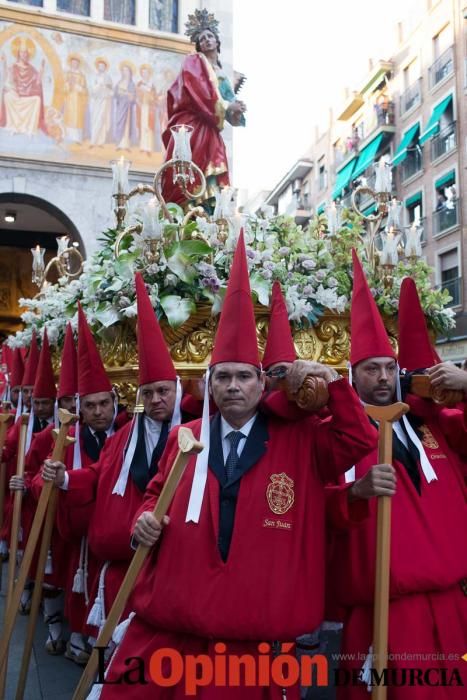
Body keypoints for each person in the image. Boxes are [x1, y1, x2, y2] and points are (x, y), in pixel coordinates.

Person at [95, 231, 377, 699]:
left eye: (243, 376)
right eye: (222, 376)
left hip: (256, 637)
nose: (232, 386)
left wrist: (333, 382)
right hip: (176, 625)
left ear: (261, 382)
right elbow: (154, 495)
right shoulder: (184, 438)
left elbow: (357, 438)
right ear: (208, 384)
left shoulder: (301, 440)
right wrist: (144, 520)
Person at [326, 256, 467, 699]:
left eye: (389, 367)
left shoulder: (434, 425)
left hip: (451, 607)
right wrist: (355, 492)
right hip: (381, 615)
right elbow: (317, 506)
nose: (383, 377)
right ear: (353, 376)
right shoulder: (335, 435)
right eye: (371, 368)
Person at [42, 273, 183, 639]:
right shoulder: (122, 437)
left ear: (177, 390)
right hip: (132, 545)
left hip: (177, 549)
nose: (156, 400)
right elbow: (100, 472)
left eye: (164, 391)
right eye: (148, 393)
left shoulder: (196, 432)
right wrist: (65, 478)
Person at [33, 305, 127, 664]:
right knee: (75, 581)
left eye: (105, 403)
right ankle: (72, 632)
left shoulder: (125, 436)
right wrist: (50, 482)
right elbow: (39, 483)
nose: (99, 411)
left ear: (114, 403)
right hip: (74, 529)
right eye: (91, 405)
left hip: (111, 527)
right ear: (79, 408)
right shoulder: (61, 438)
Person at [161, 9, 246, 206]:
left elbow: (229, 114)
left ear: (217, 41)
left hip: (210, 130)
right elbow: (198, 91)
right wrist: (227, 106)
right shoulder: (194, 61)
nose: (207, 40)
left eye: (210, 36)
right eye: (202, 38)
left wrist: (236, 109)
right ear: (198, 45)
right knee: (188, 172)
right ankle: (188, 213)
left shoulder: (222, 74)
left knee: (212, 176)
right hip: (194, 126)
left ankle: (208, 217)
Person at [0, 36, 46, 135]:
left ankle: (29, 128)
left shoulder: (32, 69)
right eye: (22, 52)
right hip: (16, 95)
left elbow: (37, 83)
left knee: (37, 100)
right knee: (7, 97)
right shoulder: (13, 67)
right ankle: (14, 126)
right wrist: (4, 63)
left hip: (26, 96)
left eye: (26, 53)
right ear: (18, 54)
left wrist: (41, 70)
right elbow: (7, 80)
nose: (24, 54)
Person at [63, 54, 88, 143]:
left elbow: (85, 90)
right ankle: (68, 137)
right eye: (73, 63)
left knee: (77, 118)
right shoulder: (67, 73)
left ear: (78, 64)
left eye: (76, 63)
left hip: (78, 100)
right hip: (69, 99)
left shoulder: (81, 75)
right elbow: (63, 88)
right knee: (69, 117)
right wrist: (69, 84)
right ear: (70, 63)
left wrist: (77, 86)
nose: (74, 64)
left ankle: (77, 139)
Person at [113, 62, 137, 151]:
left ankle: (126, 145)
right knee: (119, 123)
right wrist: (120, 93)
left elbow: (133, 97)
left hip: (127, 108)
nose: (125, 72)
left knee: (127, 125)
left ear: (130, 72)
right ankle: (119, 144)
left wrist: (129, 95)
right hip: (120, 106)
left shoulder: (131, 84)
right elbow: (115, 94)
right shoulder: (119, 82)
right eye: (123, 71)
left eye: (127, 71)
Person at [89, 57, 113, 147]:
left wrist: (105, 88)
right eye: (99, 66)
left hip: (104, 100)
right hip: (96, 100)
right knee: (95, 120)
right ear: (97, 67)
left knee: (102, 119)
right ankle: (93, 141)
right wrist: (99, 86)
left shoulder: (108, 77)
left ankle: (100, 142)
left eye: (103, 66)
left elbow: (111, 90)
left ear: (105, 67)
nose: (101, 68)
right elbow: (91, 89)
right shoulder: (94, 76)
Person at [136, 64, 156, 154]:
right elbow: (136, 95)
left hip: (149, 108)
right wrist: (140, 96)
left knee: (149, 127)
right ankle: (142, 146)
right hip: (141, 107)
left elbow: (154, 96)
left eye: (146, 73)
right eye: (143, 73)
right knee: (142, 126)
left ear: (149, 74)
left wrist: (150, 96)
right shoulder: (139, 84)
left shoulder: (151, 85)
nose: (145, 74)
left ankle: (148, 148)